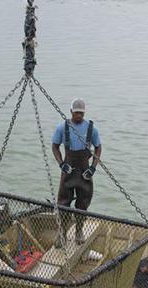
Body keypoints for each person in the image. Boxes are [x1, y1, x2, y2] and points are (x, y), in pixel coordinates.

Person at [51, 98, 102, 243]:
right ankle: (61, 234)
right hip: (68, 170)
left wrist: (93, 167)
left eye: (81, 113)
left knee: (83, 203)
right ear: (71, 112)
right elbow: (55, 146)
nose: (79, 116)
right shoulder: (62, 128)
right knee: (63, 204)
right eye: (76, 113)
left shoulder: (91, 129)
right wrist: (61, 164)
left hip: (84, 172)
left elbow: (98, 147)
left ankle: (79, 232)